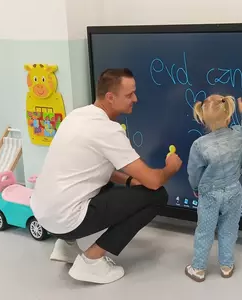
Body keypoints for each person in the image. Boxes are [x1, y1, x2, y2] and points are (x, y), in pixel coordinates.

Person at [30, 68, 183, 285]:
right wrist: (170, 168)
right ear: (110, 97)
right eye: (129, 95)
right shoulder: (107, 130)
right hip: (66, 219)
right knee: (157, 196)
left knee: (104, 186)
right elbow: (154, 181)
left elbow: (93, 169)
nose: (135, 99)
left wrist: (129, 181)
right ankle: (92, 261)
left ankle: (66, 245)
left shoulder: (77, 116)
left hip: (43, 213)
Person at [184, 94, 242, 282]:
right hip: (233, 190)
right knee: (229, 229)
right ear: (228, 116)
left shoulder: (199, 145)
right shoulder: (238, 134)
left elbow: (193, 172)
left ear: (203, 119)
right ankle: (226, 265)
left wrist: (196, 188)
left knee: (205, 231)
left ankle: (198, 268)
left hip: (209, 194)